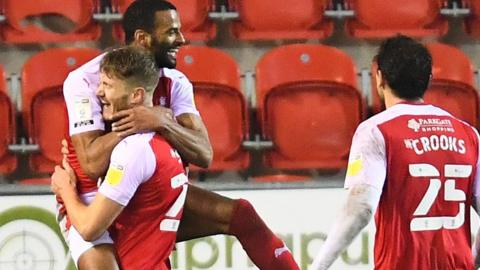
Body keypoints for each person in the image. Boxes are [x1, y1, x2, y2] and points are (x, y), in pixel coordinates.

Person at [60, 0, 299, 269]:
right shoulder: (84, 81)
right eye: (172, 32)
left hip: (149, 194)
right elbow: (92, 165)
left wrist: (163, 122)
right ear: (143, 38)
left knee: (241, 215)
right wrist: (135, 123)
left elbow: (204, 153)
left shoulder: (176, 82)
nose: (182, 39)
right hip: (94, 199)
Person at [311, 35, 480, 270]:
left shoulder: (375, 131)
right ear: (428, 79)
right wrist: (473, 259)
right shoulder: (468, 135)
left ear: (380, 77)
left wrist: (318, 265)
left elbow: (361, 207)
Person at [53, 46, 187, 270]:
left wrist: (65, 189)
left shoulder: (133, 151)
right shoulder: (168, 144)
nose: (98, 92)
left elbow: (88, 228)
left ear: (136, 95)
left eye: (107, 85)